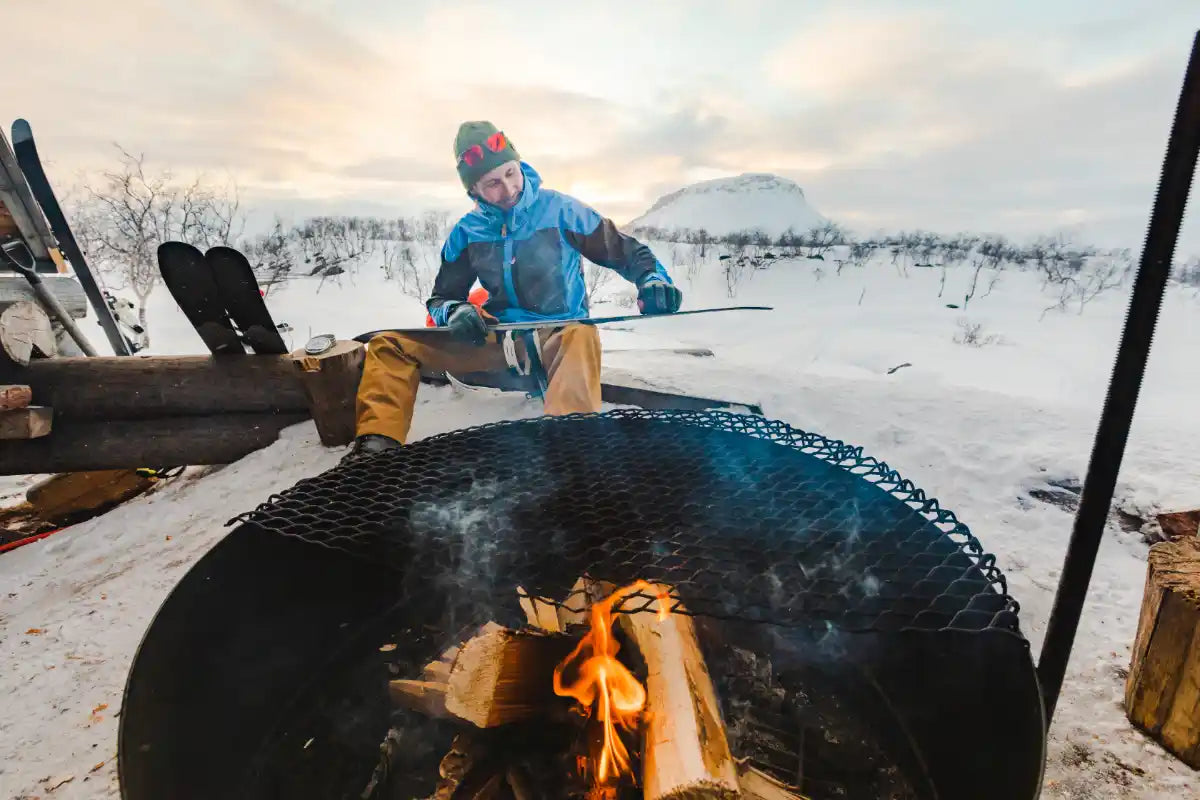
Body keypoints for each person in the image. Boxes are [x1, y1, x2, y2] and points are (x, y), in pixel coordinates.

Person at [345, 121, 682, 460]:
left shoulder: (562, 211)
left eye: (511, 173)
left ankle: (571, 450)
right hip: (499, 338)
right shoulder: (467, 232)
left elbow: (627, 252)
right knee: (390, 344)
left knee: (582, 334)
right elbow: (441, 297)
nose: (507, 189)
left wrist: (653, 281)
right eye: (492, 183)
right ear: (473, 189)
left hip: (559, 337)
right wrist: (455, 311)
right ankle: (377, 446)